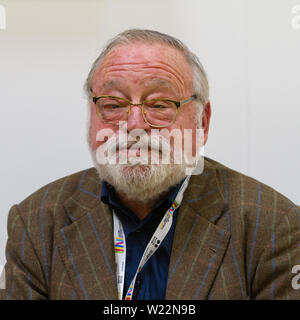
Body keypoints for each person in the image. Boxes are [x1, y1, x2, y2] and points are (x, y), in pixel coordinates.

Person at [0, 29, 299, 300]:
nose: (133, 125)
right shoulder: (36, 224)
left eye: (158, 105)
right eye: (113, 105)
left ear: (202, 122)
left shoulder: (272, 225)